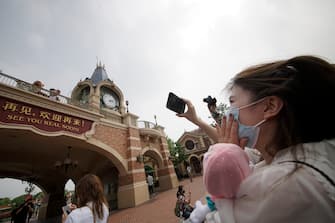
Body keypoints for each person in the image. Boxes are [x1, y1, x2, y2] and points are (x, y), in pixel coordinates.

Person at [177, 55, 335, 222]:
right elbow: (228, 139)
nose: (228, 112)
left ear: (270, 106)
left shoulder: (285, 185)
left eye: (232, 102)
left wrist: (223, 156)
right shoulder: (278, 155)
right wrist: (196, 120)